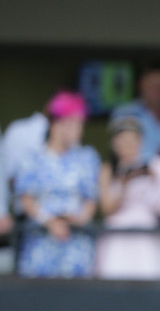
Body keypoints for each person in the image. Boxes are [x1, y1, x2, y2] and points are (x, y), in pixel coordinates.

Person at [14, 92, 101, 279]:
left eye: (80, 124)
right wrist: (50, 221)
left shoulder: (86, 157)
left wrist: (78, 219)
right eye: (72, 123)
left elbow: (90, 199)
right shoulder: (32, 158)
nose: (78, 130)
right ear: (55, 124)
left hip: (76, 238)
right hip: (41, 239)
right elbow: (26, 199)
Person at [95, 116, 160, 280]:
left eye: (133, 140)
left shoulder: (154, 166)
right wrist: (124, 184)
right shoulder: (108, 170)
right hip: (118, 238)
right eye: (123, 140)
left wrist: (155, 179)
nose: (128, 145)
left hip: (146, 234)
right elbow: (107, 209)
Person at [109, 63, 160, 161]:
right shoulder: (125, 113)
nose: (158, 91)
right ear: (141, 85)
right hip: (134, 172)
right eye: (153, 86)